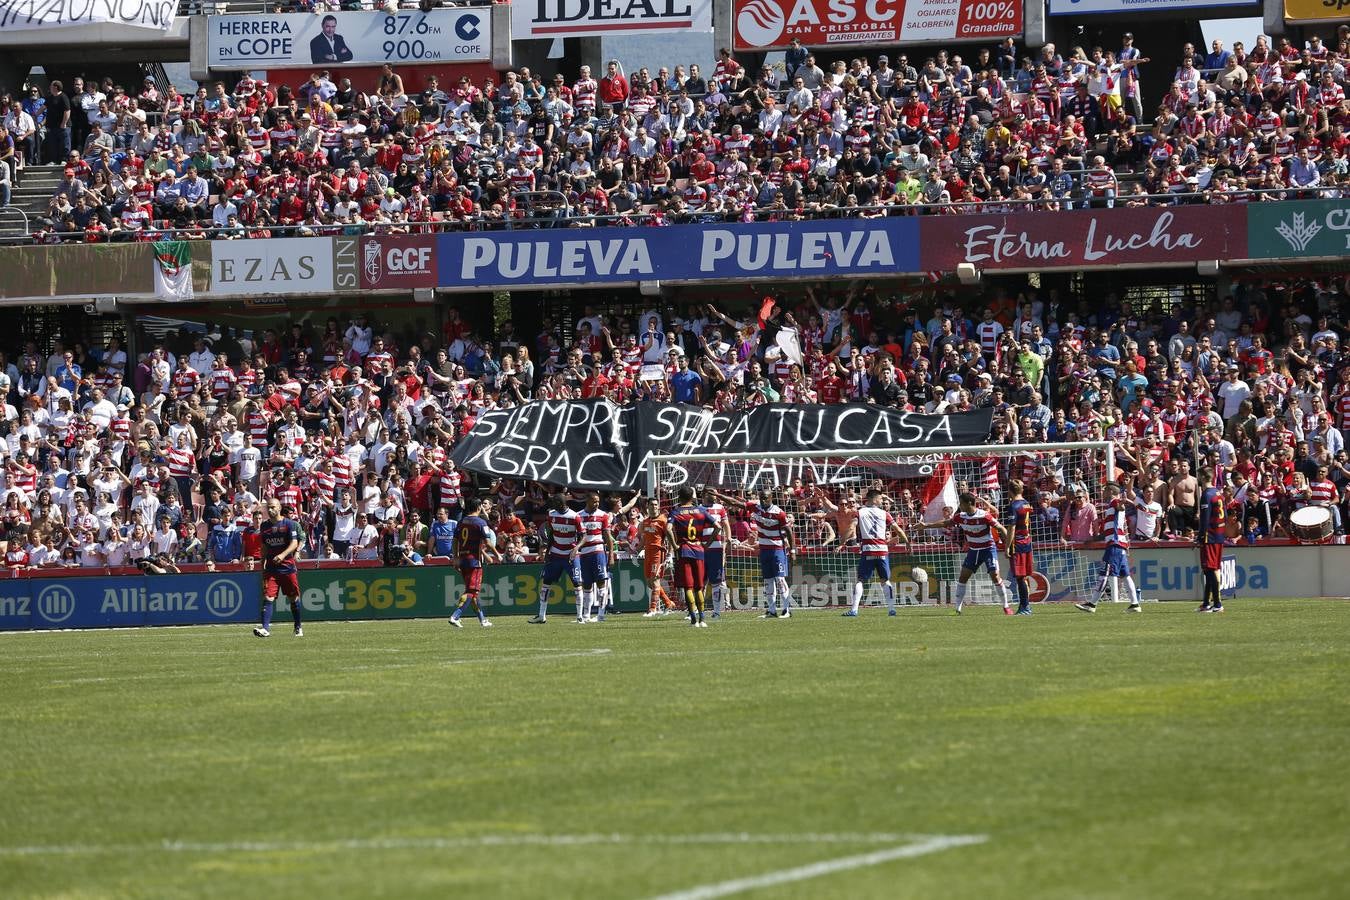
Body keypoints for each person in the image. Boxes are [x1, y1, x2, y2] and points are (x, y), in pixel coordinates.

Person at [1076, 482, 1142, 613]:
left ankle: (1092, 604)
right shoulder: (1112, 506)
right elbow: (1109, 530)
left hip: (1115, 545)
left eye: (1105, 489)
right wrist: (1094, 539)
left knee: (1104, 574)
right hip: (1118, 545)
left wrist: (1122, 503)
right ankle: (1135, 604)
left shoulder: (1114, 502)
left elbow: (1120, 507)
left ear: (1111, 491)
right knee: (1125, 575)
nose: (1103, 492)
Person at [943, 492, 1013, 615]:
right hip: (974, 550)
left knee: (995, 576)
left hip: (988, 549)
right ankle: (958, 609)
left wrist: (1009, 546)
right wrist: (926, 525)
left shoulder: (984, 515)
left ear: (969, 503)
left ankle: (1006, 607)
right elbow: (946, 523)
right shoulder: (961, 516)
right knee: (963, 577)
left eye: (961, 503)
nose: (960, 505)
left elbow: (1002, 528)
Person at [844, 489, 910, 617]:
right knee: (885, 580)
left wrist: (842, 541)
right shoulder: (884, 513)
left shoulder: (859, 512)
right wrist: (907, 542)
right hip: (882, 550)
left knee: (861, 580)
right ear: (873, 499)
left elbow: (852, 527)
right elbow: (897, 529)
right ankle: (891, 609)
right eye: (880, 499)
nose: (882, 501)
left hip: (868, 549)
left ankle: (854, 610)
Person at [254, 499, 303, 638]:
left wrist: (282, 555)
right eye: (268, 508)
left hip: (287, 567)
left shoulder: (289, 524)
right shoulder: (264, 526)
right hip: (271, 569)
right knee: (268, 596)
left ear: (279, 508)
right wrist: (262, 565)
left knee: (293, 597)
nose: (270, 510)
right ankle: (265, 629)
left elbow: (294, 543)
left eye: (273, 507)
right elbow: (263, 547)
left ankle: (298, 627)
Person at [529, 493, 581, 624]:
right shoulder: (551, 515)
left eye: (555, 504)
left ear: (561, 504)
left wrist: (577, 548)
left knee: (577, 583)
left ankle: (580, 617)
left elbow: (583, 535)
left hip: (570, 555)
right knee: (546, 583)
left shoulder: (575, 516)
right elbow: (552, 534)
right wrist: (547, 554)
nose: (553, 506)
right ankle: (541, 615)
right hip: (555, 554)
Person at [666, 486, 711, 628]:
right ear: (692, 497)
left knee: (688, 587)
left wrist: (674, 545)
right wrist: (707, 543)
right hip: (699, 550)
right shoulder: (701, 511)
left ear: (679, 497)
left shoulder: (676, 512)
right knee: (699, 587)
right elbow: (718, 526)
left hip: (684, 550)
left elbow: (667, 529)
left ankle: (693, 619)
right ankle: (703, 619)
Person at [449, 498, 496, 628]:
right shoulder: (481, 522)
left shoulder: (461, 521)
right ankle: (455, 616)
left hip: (463, 560)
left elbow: (455, 540)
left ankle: (482, 620)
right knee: (471, 591)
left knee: (473, 592)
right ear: (479, 507)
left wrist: (456, 557)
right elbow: (487, 542)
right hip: (474, 562)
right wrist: (497, 554)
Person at [751, 489, 795, 619]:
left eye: (766, 497)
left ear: (771, 498)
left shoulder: (779, 513)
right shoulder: (756, 508)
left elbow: (788, 531)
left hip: (777, 550)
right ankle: (771, 611)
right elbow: (736, 503)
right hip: (764, 550)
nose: (763, 500)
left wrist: (792, 550)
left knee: (780, 580)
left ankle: (787, 610)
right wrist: (719, 495)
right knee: (768, 581)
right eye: (761, 497)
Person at [577, 491, 615, 623]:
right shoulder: (579, 516)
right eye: (594, 501)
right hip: (584, 553)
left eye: (598, 501)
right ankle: (586, 616)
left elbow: (608, 537)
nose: (597, 503)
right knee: (586, 584)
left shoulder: (603, 515)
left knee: (601, 582)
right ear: (587, 500)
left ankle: (601, 615)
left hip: (598, 552)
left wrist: (611, 555)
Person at [639, 497, 677, 616]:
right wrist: (636, 551)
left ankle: (652, 609)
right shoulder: (645, 522)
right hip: (648, 553)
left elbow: (671, 538)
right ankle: (668, 603)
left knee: (655, 581)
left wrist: (670, 554)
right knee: (650, 583)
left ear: (658, 506)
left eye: (656, 505)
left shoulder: (663, 520)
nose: (654, 507)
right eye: (651, 505)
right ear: (648, 506)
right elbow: (643, 539)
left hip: (658, 553)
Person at [1196, 469, 1226, 613]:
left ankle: (1218, 604)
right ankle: (1206, 603)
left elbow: (1205, 519)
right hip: (1219, 534)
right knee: (1209, 568)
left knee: (1211, 569)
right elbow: (1224, 515)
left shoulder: (1206, 495)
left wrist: (1201, 536)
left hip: (1210, 536)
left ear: (1202, 477)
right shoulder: (1218, 493)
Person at [1006, 479, 1035, 615]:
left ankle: (1025, 607)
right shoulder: (1026, 503)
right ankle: (1025, 605)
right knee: (1023, 577)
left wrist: (1007, 546)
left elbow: (1012, 528)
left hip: (1017, 543)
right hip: (1027, 541)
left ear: (1009, 491)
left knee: (1020, 577)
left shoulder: (1014, 506)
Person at [701, 493, 731, 618]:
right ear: (704, 494)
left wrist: (728, 540)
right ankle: (698, 610)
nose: (715, 495)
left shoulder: (720, 507)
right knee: (700, 582)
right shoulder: (698, 509)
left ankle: (717, 611)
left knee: (716, 582)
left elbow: (726, 525)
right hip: (701, 549)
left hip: (716, 549)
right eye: (712, 493)